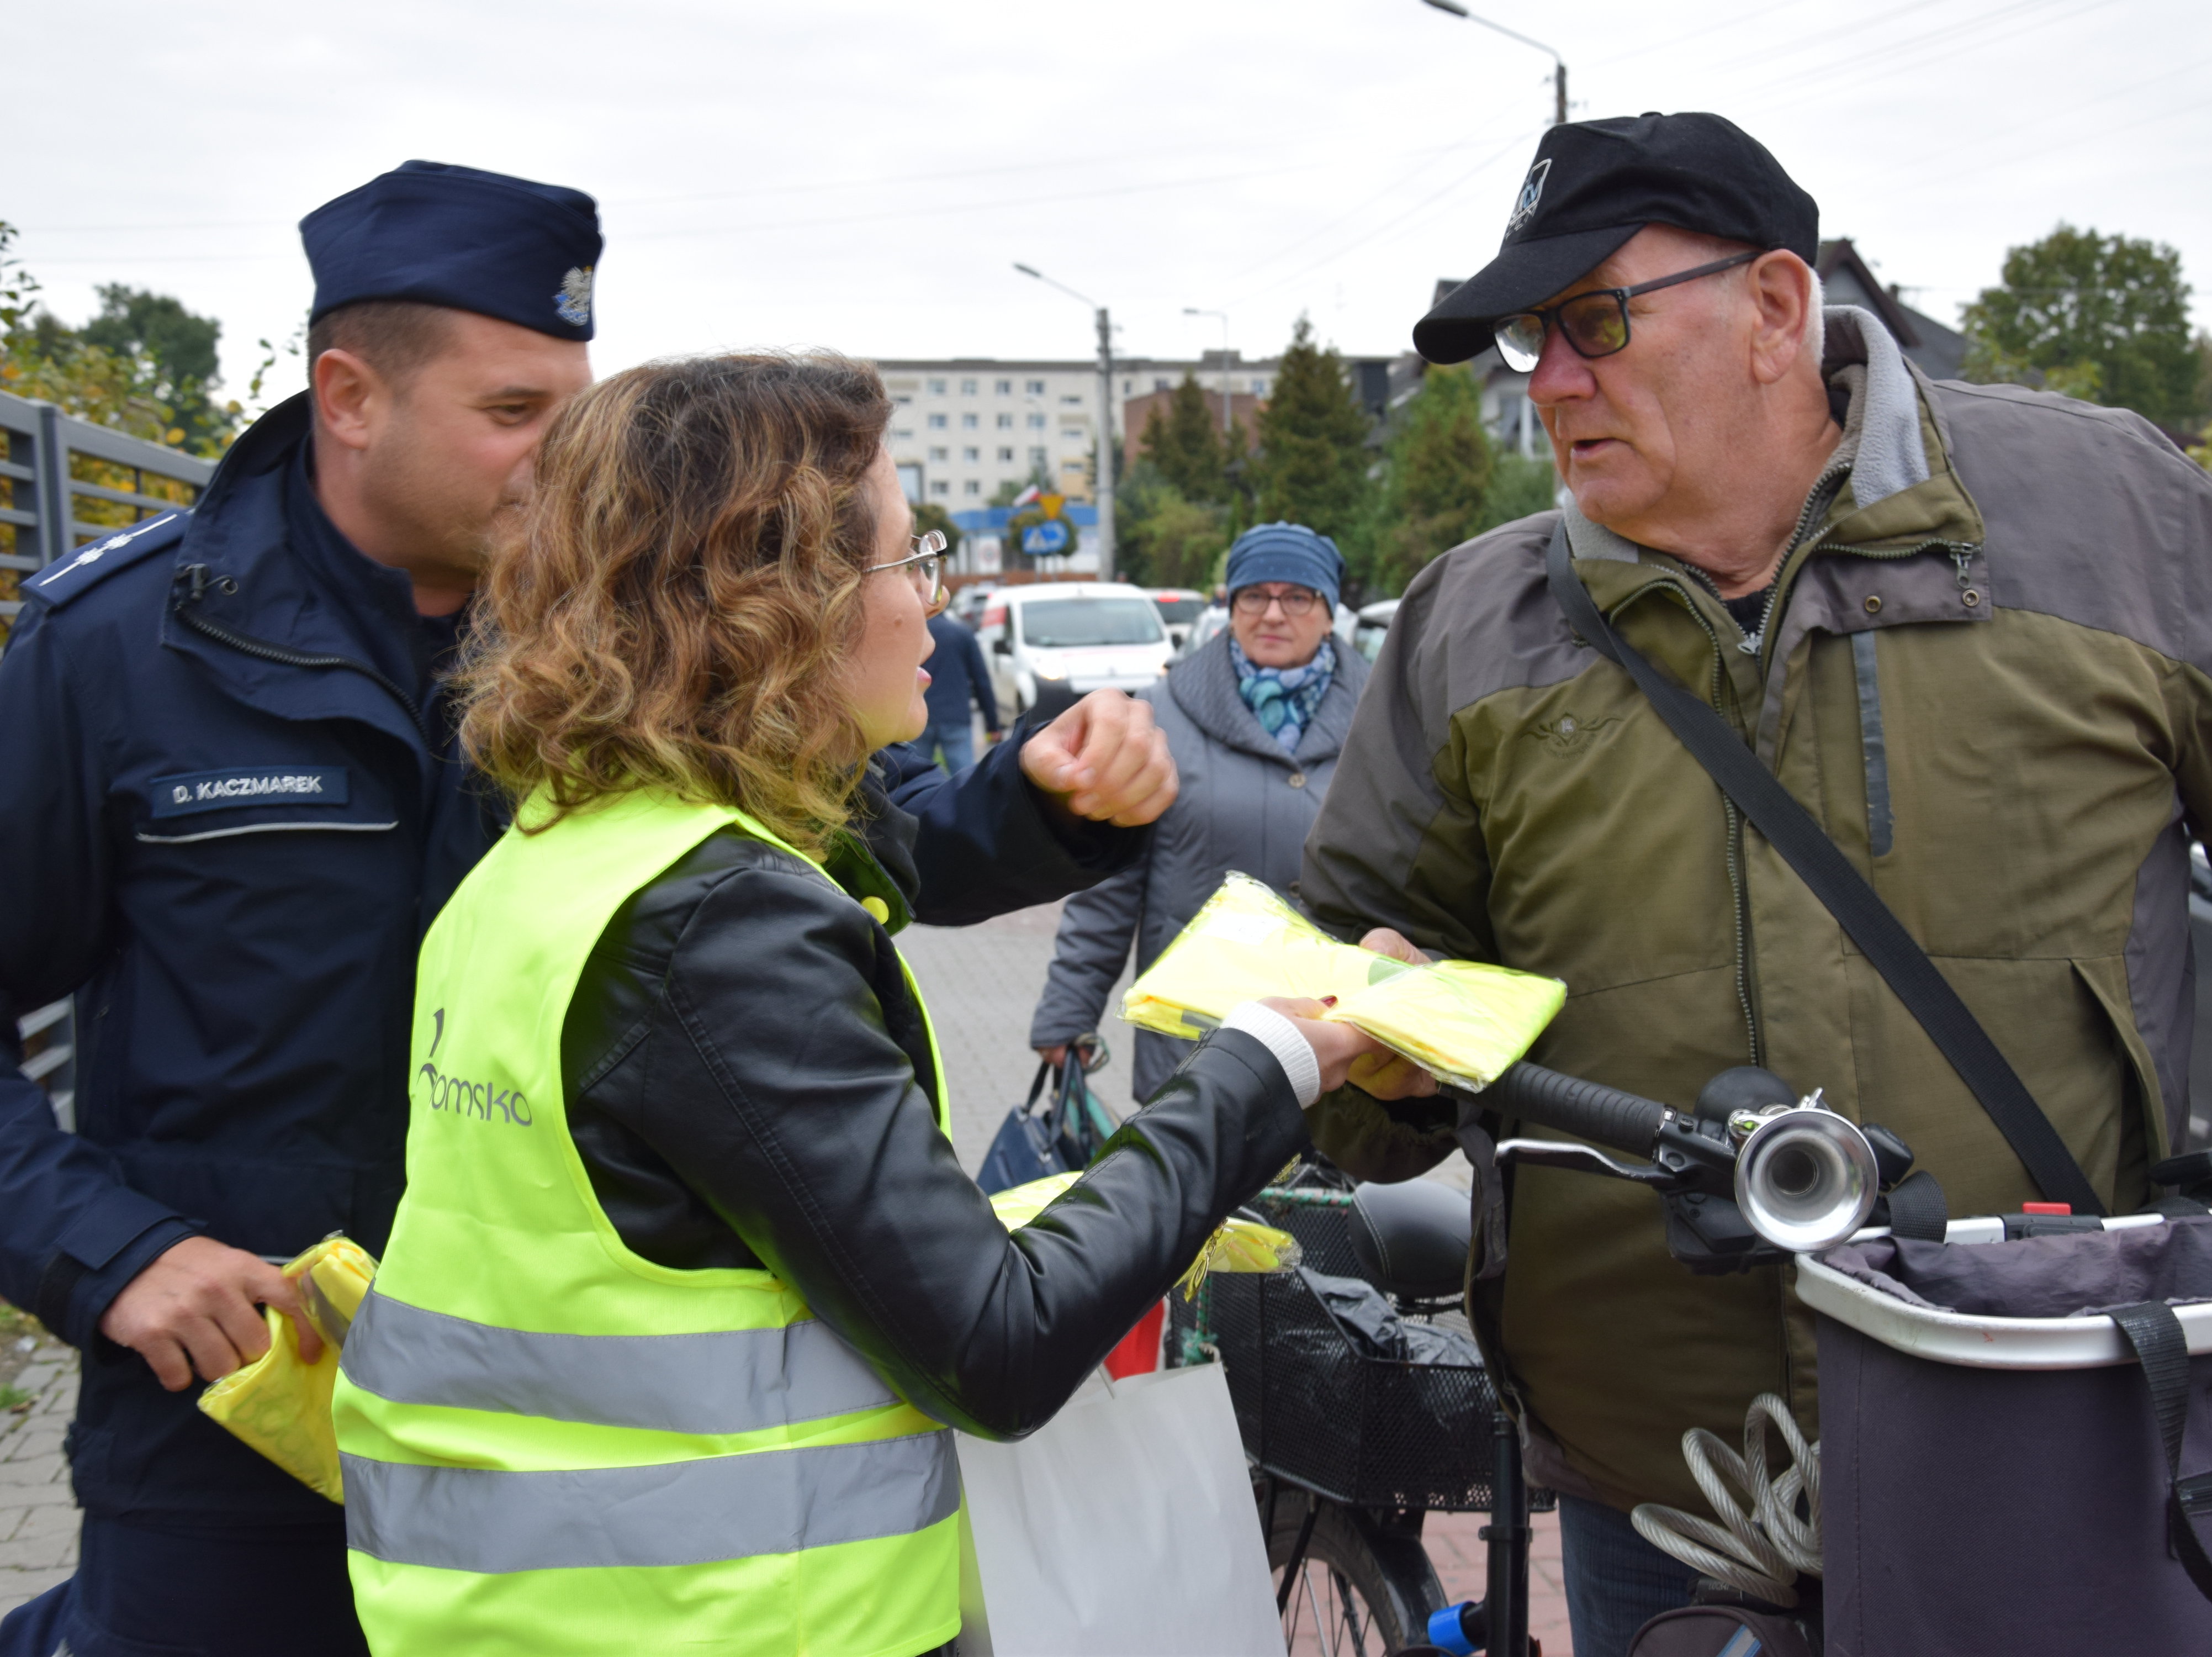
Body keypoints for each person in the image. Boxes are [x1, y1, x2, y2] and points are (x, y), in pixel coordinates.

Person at [1295, 112, 2212, 1653]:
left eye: (1596, 321)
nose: (1554, 384)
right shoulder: (1469, 621)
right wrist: (1371, 1050)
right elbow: (1352, 954)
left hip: (2058, 1417)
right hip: (1661, 1485)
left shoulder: (2104, 515)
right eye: (1534, 339)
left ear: (1776, 307)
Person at [0, 167, 1168, 1657]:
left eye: (576, 404)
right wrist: (109, 1254)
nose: (561, 455)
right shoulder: (122, 649)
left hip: (563, 1482)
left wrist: (1049, 801)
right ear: (350, 397)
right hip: (235, 1432)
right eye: (512, 411)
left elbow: (862, 854)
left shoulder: (617, 626)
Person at [332, 351, 1412, 1656]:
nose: (929, 602)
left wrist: (1038, 803)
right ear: (785, 604)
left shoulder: (564, 851)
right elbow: (996, 1342)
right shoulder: (715, 923)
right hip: (731, 1624)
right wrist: (1268, 1060)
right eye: (912, 559)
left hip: (547, 1606)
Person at [1030, 523, 1369, 1099]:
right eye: (1254, 595)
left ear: (1329, 612)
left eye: (1297, 597)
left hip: (1335, 1041)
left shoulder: (1382, 716)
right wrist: (1068, 1012)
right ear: (1231, 607)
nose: (1272, 613)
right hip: (1196, 1036)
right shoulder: (1162, 715)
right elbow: (1111, 885)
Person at [909, 595, 999, 774]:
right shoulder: (962, 634)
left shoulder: (910, 634)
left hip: (918, 717)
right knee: (964, 778)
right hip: (955, 716)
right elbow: (981, 681)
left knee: (915, 778)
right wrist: (992, 724)